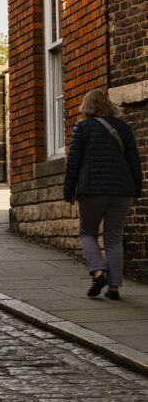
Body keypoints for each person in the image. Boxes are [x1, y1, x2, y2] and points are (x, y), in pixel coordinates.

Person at [63, 88, 142, 300]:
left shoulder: (82, 127)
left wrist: (69, 190)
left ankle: (98, 273)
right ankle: (114, 289)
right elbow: (134, 162)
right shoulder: (123, 128)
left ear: (86, 106)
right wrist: (137, 189)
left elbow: (73, 163)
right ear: (106, 104)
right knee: (114, 239)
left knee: (87, 232)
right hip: (122, 190)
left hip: (93, 189)